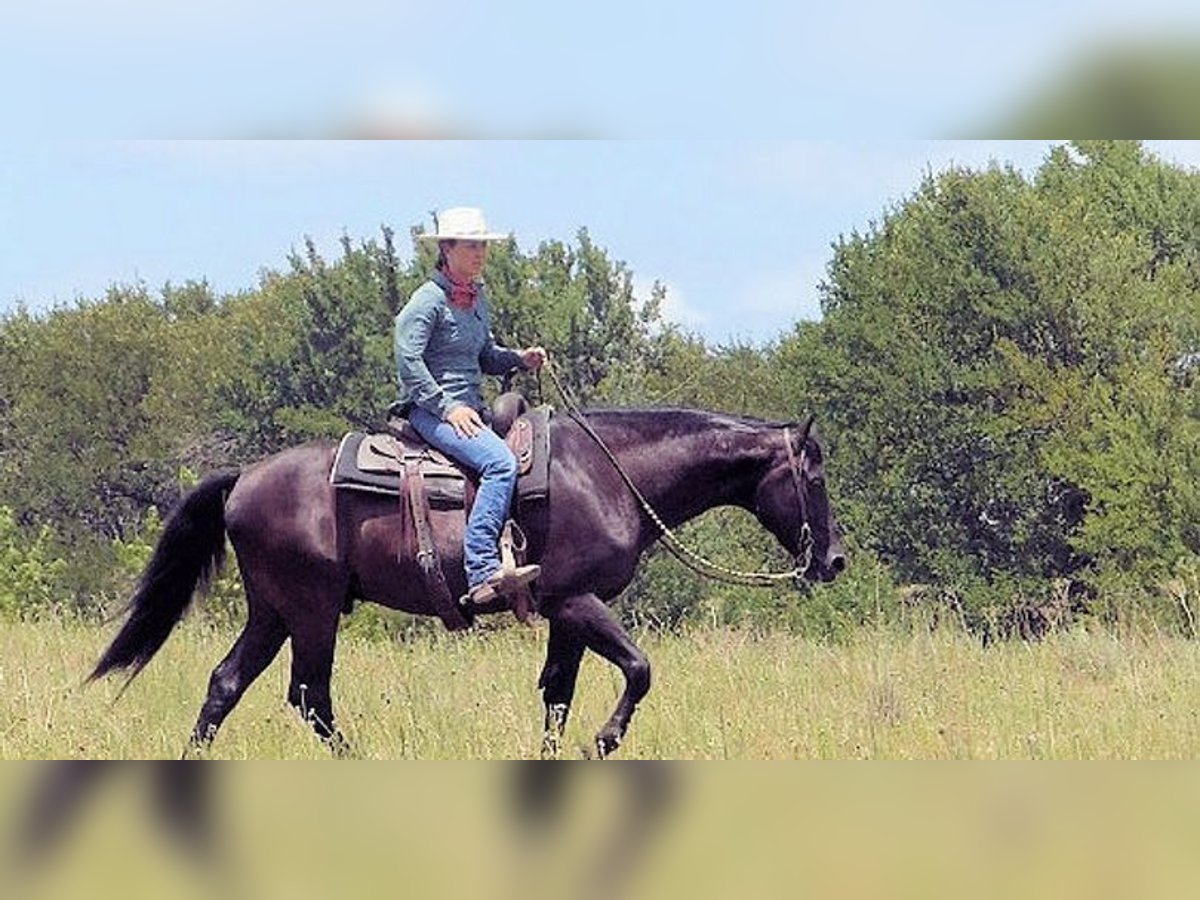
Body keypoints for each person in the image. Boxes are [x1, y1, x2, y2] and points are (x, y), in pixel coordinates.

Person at [394, 207, 547, 604]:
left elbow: (483, 356)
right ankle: (481, 570)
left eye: (483, 245)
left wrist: (517, 358)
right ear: (446, 248)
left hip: (471, 410)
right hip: (433, 411)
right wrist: (446, 408)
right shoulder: (426, 301)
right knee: (500, 464)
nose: (480, 253)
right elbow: (407, 361)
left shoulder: (476, 300)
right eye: (471, 245)